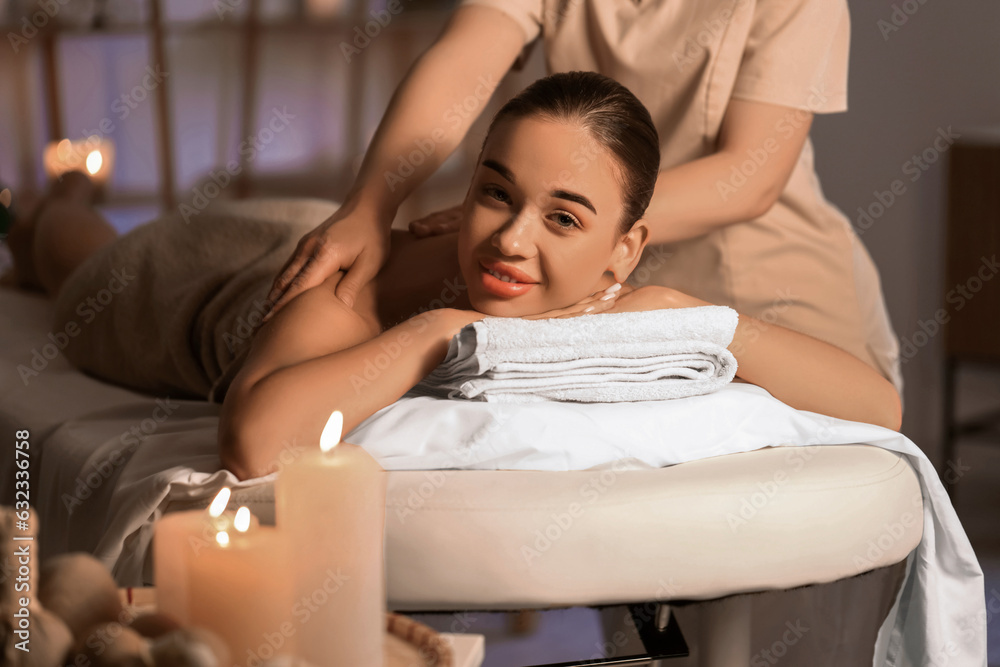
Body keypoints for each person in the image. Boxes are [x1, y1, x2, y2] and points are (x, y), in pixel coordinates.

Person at [2, 72, 900, 485]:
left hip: (279, 231)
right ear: (461, 194)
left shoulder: (622, 300)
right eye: (493, 194)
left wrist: (713, 323)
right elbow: (253, 444)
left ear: (625, 252)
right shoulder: (352, 294)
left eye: (562, 217)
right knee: (75, 256)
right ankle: (36, 206)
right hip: (188, 279)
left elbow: (878, 408)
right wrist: (438, 331)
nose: (509, 241)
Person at [264, 0, 905, 412]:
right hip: (579, 253)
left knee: (792, 541)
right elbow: (464, 58)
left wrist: (545, 217)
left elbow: (748, 177)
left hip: (759, 260)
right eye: (494, 193)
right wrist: (371, 201)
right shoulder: (523, 247)